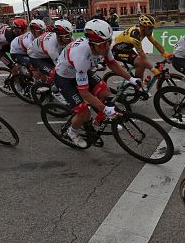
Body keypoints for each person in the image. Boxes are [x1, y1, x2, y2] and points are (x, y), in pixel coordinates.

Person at [53, 19, 139, 147]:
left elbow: (112, 63)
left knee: (106, 93)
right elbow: (84, 92)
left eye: (109, 42)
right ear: (93, 44)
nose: (108, 46)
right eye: (105, 44)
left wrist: (131, 79)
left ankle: (97, 123)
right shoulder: (81, 56)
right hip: (65, 78)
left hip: (81, 71)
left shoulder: (103, 46)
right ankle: (72, 132)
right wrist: (105, 109)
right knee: (84, 113)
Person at [112, 14, 173, 82]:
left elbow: (155, 43)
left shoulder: (145, 31)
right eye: (150, 28)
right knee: (141, 62)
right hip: (116, 51)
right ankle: (138, 86)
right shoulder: (135, 36)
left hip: (127, 49)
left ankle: (139, 82)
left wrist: (166, 54)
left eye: (152, 28)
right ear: (143, 27)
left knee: (142, 63)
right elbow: (143, 57)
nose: (151, 30)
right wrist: (155, 71)